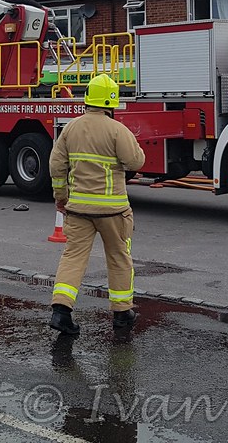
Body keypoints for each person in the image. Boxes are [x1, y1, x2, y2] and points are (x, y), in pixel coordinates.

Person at [49, 74, 145, 336]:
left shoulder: (70, 128)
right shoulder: (117, 130)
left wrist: (61, 198)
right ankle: (123, 314)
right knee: (119, 257)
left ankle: (61, 312)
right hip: (114, 210)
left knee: (73, 257)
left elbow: (56, 166)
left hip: (78, 209)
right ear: (111, 102)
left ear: (88, 99)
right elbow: (136, 162)